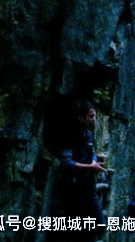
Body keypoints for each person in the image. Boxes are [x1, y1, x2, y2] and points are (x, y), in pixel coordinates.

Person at [55, 101, 107, 240]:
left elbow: (92, 152)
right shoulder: (69, 135)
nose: (94, 119)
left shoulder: (88, 134)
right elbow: (66, 163)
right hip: (74, 191)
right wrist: (90, 167)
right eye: (91, 116)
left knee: (100, 225)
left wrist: (94, 161)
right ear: (81, 117)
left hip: (89, 189)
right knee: (79, 232)